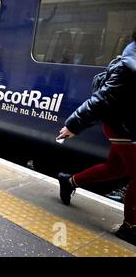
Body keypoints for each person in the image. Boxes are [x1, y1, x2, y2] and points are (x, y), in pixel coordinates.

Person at [56, 32, 136, 247]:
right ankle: (130, 227)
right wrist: (73, 125)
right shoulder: (126, 67)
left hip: (129, 127)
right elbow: (100, 100)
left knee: (115, 169)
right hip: (124, 128)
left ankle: (69, 180)